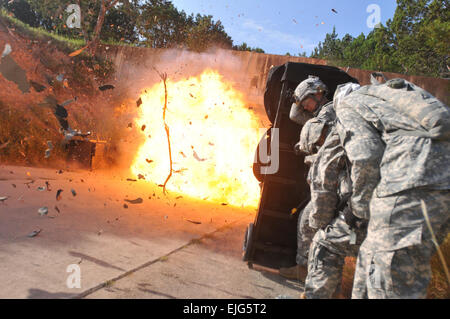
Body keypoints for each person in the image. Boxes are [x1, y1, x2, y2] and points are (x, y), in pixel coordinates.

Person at [333, 78, 450, 298]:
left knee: (387, 275)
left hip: (412, 177)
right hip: (439, 185)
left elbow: (366, 157)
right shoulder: (387, 96)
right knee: (377, 261)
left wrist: (358, 210)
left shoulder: (349, 104)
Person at [279, 76, 332, 281]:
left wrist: (304, 147)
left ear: (318, 93)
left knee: (308, 223)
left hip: (332, 184)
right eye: (303, 105)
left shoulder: (330, 114)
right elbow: (295, 115)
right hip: (324, 182)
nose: (305, 108)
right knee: (311, 224)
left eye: (306, 102)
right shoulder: (319, 116)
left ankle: (308, 272)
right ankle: (317, 276)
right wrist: (297, 99)